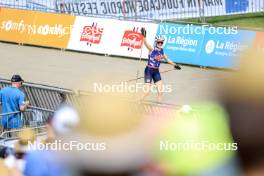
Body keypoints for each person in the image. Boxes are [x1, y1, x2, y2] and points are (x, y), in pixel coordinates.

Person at [140, 28, 181, 102]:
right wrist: (144, 36)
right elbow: (145, 43)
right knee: (147, 92)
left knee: (161, 91)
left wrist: (175, 65)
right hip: (149, 71)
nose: (160, 43)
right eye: (159, 42)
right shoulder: (152, 49)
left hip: (156, 71)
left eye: (161, 42)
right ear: (156, 42)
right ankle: (138, 101)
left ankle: (158, 106)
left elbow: (167, 59)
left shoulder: (162, 51)